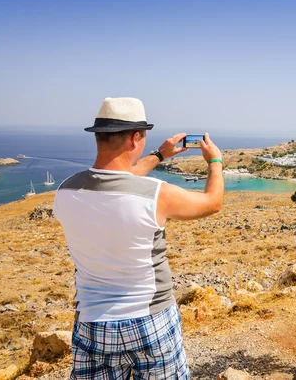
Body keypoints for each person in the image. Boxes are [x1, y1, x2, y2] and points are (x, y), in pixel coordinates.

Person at [53, 97, 224, 379]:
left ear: (98, 136)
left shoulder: (65, 192)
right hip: (151, 321)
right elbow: (212, 202)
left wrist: (159, 155)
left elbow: (115, 179)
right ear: (135, 138)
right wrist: (214, 161)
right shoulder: (156, 194)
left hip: (93, 325)